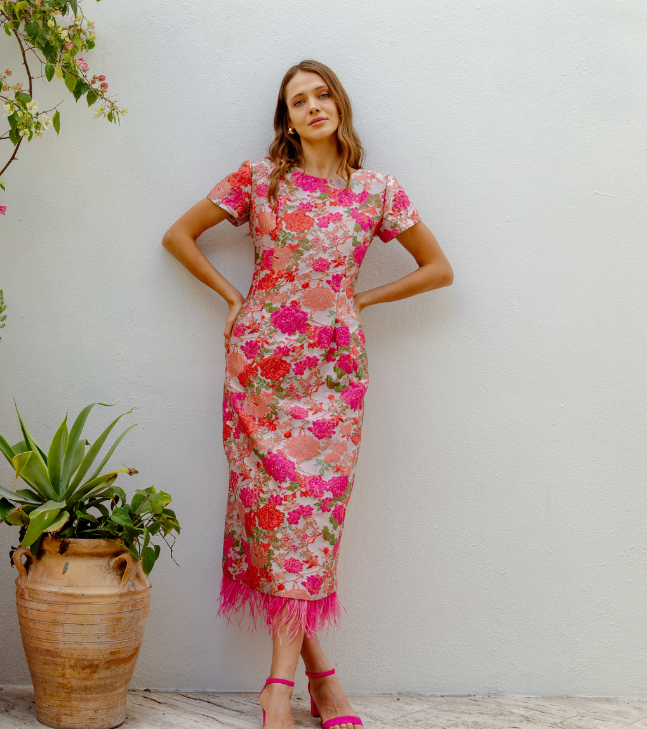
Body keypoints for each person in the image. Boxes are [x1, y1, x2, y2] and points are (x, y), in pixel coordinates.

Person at [161, 60, 454, 729]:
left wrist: (362, 298)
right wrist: (233, 296)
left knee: (310, 525)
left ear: (339, 105)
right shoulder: (257, 180)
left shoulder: (377, 191)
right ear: (285, 119)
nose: (313, 105)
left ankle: (294, 681)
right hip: (261, 368)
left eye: (323, 94)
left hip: (334, 377)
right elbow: (178, 235)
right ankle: (300, 680)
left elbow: (438, 267)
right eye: (299, 100)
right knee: (278, 521)